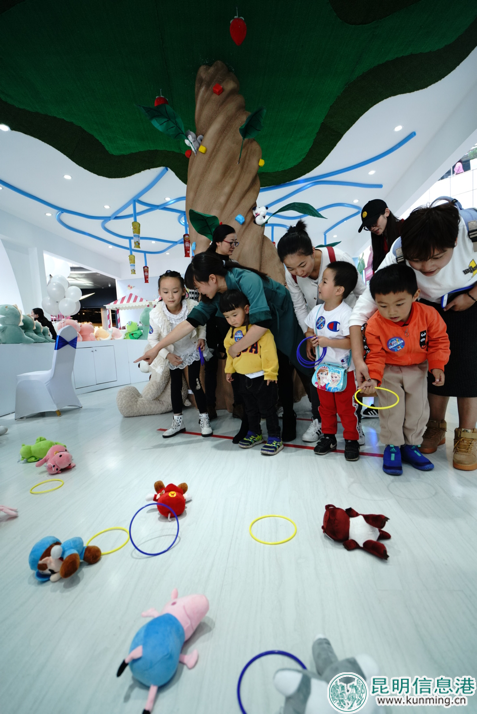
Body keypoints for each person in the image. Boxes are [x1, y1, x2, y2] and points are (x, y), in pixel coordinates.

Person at [350, 201, 477, 471]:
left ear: (455, 242)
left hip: (469, 300)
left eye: (437, 257)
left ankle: (467, 433)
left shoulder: (471, 231)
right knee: (433, 373)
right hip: (427, 308)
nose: (427, 266)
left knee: (468, 366)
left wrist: (472, 296)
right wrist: (360, 361)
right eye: (417, 259)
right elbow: (362, 309)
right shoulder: (399, 251)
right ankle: (434, 426)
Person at [135, 253, 307, 443]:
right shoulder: (215, 295)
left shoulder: (247, 279)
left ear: (212, 278)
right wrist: (156, 348)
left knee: (283, 363)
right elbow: (189, 323)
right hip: (253, 326)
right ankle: (250, 424)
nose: (199, 292)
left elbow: (263, 323)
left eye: (198, 287)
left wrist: (235, 349)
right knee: (246, 377)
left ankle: (289, 415)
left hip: (278, 315)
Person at [277, 219, 365, 443]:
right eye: (291, 268)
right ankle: (320, 421)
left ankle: (355, 424)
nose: (298, 272)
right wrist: (309, 335)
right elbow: (299, 306)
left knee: (350, 378)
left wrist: (357, 328)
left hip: (346, 327)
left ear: (312, 251)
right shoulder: (292, 275)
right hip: (318, 329)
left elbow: (362, 293)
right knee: (320, 375)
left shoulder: (337, 258)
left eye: (302, 265)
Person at [360, 264, 450, 475]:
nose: (391, 312)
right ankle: (392, 446)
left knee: (417, 410)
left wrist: (437, 366)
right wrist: (373, 378)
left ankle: (412, 445)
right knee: (392, 410)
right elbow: (375, 354)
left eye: (399, 304)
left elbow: (439, 341)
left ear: (415, 295)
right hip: (388, 370)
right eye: (382, 305)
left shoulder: (428, 315)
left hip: (418, 369)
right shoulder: (374, 324)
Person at [304, 261, 361, 462]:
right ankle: (328, 437)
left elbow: (352, 342)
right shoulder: (316, 311)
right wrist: (310, 340)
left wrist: (328, 342)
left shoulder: (347, 314)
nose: (319, 285)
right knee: (325, 407)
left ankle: (351, 439)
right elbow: (309, 330)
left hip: (345, 371)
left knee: (346, 408)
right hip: (323, 371)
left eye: (324, 281)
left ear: (339, 290)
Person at [148, 271, 212, 438]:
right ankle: (178, 422)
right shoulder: (156, 314)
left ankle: (204, 418)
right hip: (173, 354)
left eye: (175, 291)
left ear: (184, 291)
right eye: (165, 291)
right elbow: (153, 340)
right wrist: (167, 356)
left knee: (195, 383)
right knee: (175, 387)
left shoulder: (192, 306)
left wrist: (202, 337)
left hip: (191, 349)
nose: (171, 296)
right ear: (160, 292)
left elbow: (201, 324)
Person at [221, 290, 283, 456]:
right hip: (243, 378)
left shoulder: (260, 330)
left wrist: (271, 373)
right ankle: (255, 433)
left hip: (262, 378)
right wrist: (229, 370)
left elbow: (269, 352)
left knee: (268, 409)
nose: (231, 320)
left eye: (234, 315)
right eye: (227, 317)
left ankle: (275, 437)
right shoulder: (230, 333)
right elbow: (229, 352)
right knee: (250, 409)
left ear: (246, 309)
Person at [203, 224, 241, 420]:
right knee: (210, 365)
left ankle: (239, 405)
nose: (233, 245)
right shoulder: (205, 262)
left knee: (237, 358)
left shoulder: (234, 264)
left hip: (230, 319)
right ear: (218, 242)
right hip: (211, 320)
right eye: (230, 242)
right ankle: (209, 405)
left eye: (235, 242)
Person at [358, 199, 403, 273]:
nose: (372, 228)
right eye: (368, 226)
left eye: (374, 222)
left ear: (386, 212)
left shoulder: (405, 229)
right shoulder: (378, 243)